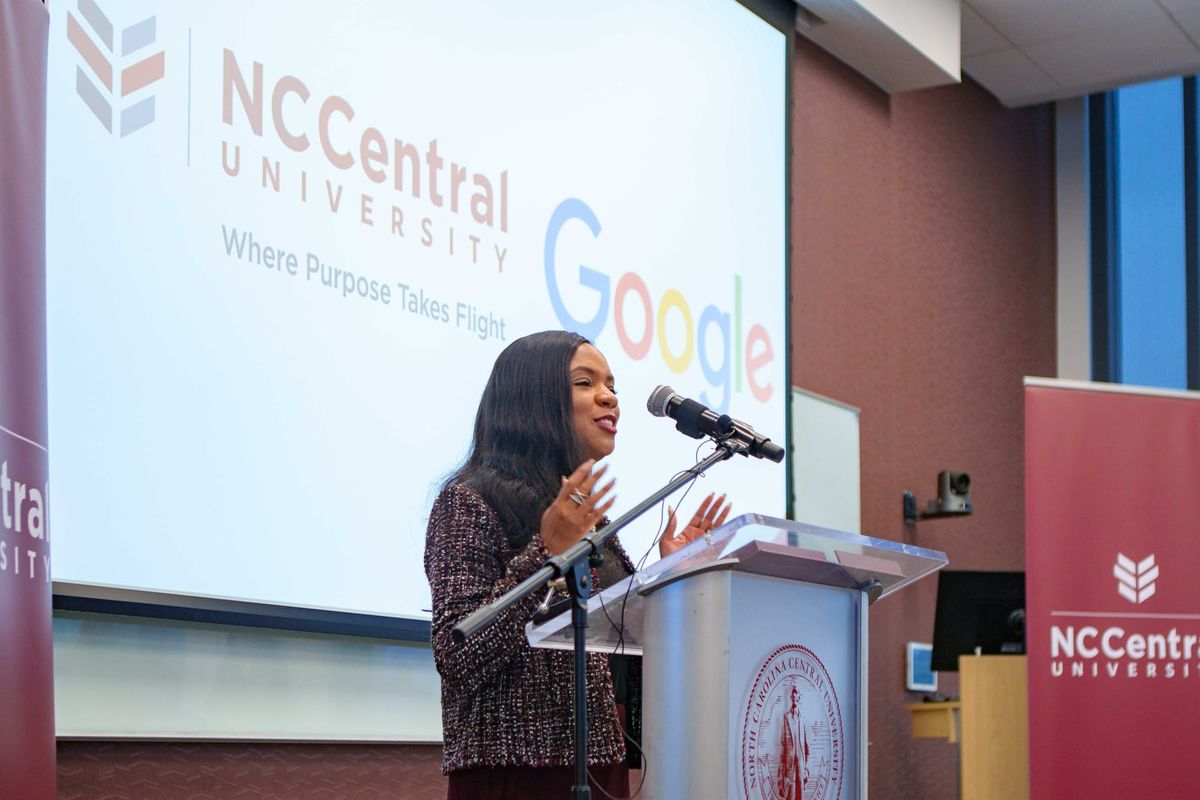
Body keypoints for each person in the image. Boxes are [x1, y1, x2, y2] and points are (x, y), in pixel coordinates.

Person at [424, 330, 730, 800]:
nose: (609, 398)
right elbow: (457, 654)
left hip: (600, 765)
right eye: (585, 383)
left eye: (612, 386)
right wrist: (545, 551)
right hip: (516, 773)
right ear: (534, 399)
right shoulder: (468, 501)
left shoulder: (587, 514)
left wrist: (671, 576)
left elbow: (617, 642)